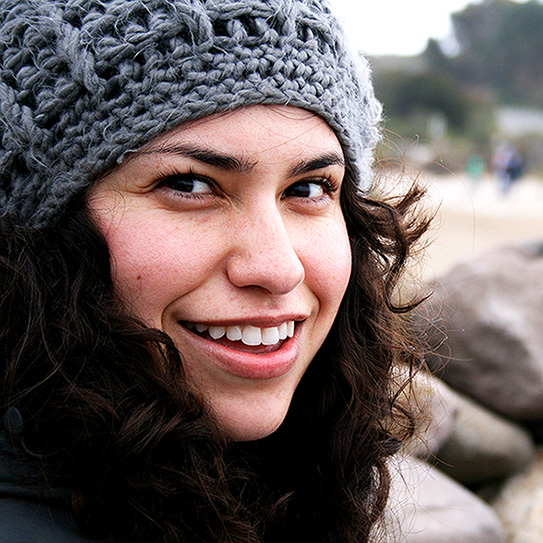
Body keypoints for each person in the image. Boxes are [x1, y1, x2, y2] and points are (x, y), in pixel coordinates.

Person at [0, 0, 428, 541]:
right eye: (188, 185)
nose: (278, 269)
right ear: (35, 229)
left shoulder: (295, 483)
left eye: (308, 188)